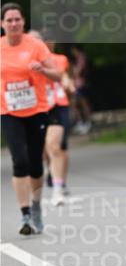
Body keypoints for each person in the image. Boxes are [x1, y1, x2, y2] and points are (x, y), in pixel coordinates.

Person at [0, 4, 62, 234]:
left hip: (36, 110)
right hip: (9, 111)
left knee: (36, 164)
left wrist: (43, 70)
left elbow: (57, 74)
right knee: (20, 161)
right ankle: (25, 215)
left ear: (23, 21)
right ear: (2, 24)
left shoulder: (35, 45)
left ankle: (36, 207)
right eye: (9, 20)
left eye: (17, 19)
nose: (14, 23)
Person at [44, 40, 74, 205]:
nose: (48, 44)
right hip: (42, 105)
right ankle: (51, 170)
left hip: (59, 104)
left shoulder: (60, 58)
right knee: (46, 147)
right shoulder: (31, 59)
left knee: (59, 146)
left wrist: (69, 83)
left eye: (50, 41)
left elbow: (63, 76)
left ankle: (60, 182)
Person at [70, 43, 93, 133]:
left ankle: (86, 122)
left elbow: (77, 72)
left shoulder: (81, 58)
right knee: (79, 103)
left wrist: (73, 70)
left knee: (81, 103)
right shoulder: (81, 58)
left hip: (80, 84)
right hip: (79, 84)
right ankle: (84, 122)